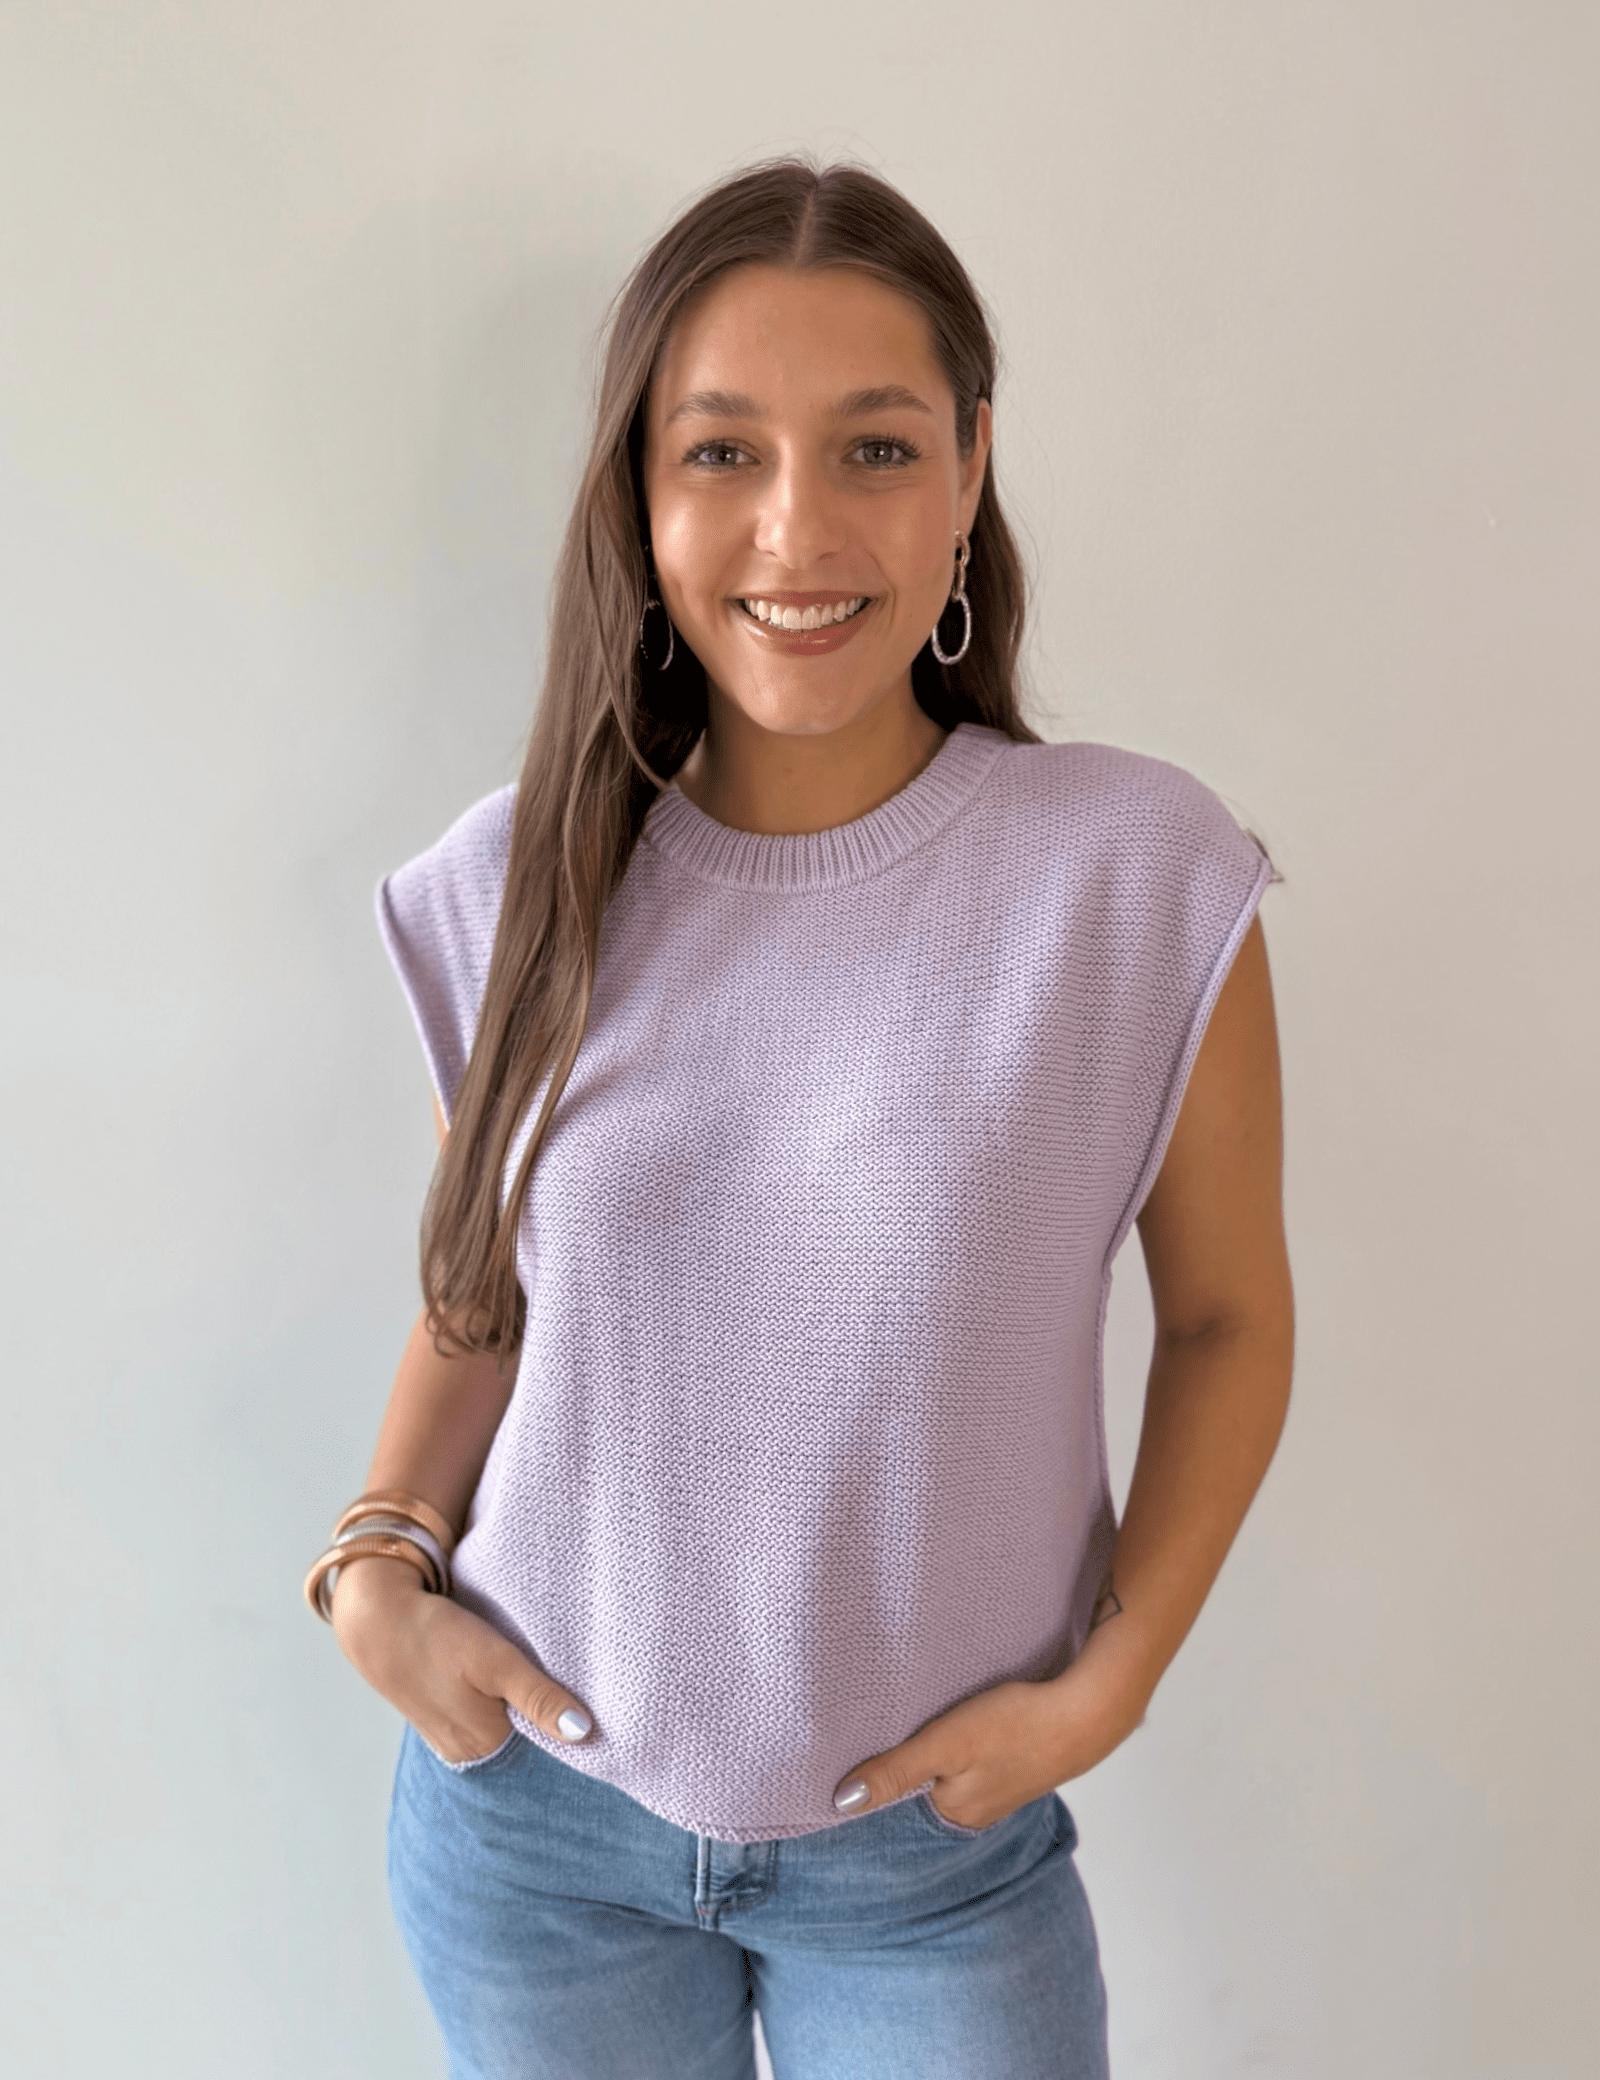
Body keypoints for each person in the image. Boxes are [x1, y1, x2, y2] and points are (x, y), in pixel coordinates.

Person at [304, 158, 1294, 2080]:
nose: (796, 526)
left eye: (876, 448)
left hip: (934, 1870)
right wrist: (374, 1567)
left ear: (971, 467)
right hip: (532, 1839)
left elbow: (1229, 1322)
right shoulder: (516, 884)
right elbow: (483, 1303)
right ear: (639, 491)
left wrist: (1111, 1685)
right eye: (722, 452)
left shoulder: (1133, 881)